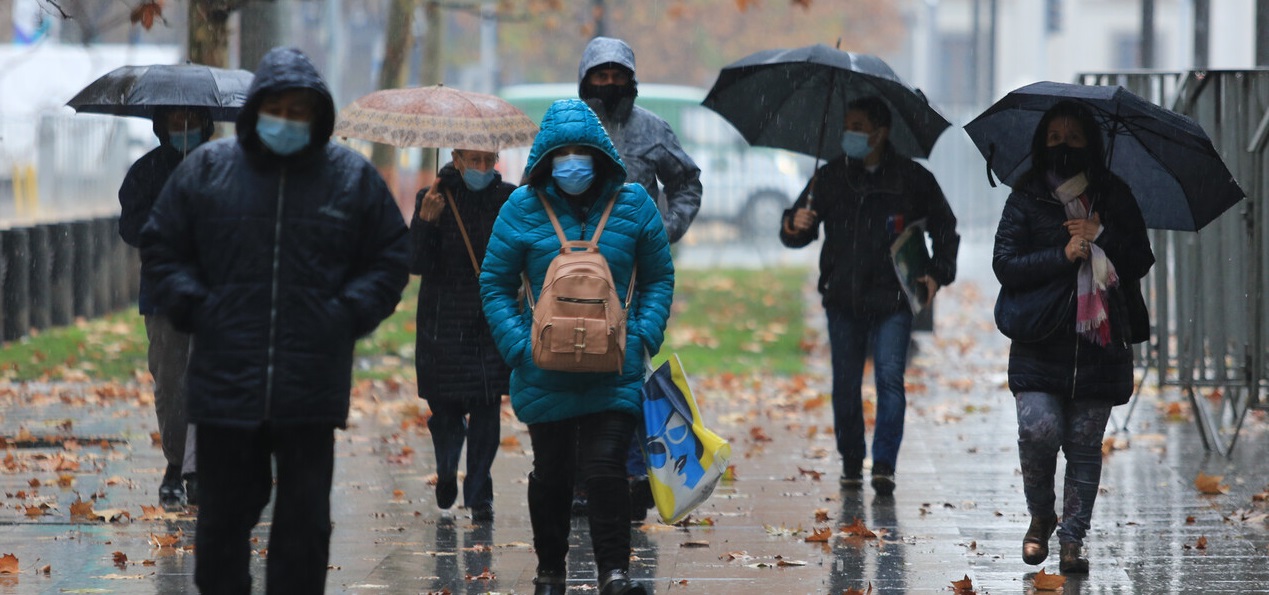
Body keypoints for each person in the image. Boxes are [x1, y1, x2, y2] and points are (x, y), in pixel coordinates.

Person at [140, 47, 409, 593]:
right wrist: (198, 307)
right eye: (276, 108)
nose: (286, 120)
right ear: (256, 109)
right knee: (222, 526)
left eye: (298, 111)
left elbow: (389, 256)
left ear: (318, 115)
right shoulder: (208, 172)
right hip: (225, 383)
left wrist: (346, 314)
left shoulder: (350, 178)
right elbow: (162, 245)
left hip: (309, 388)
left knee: (303, 530)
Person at [480, 98, 673, 595]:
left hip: (614, 366)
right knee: (553, 473)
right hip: (544, 368)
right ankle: (550, 571)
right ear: (546, 159)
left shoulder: (634, 205)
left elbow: (658, 277)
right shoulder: (522, 208)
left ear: (600, 155)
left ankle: (615, 574)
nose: (571, 162)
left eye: (580, 152)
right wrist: (519, 347)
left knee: (607, 469)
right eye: (561, 153)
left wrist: (643, 335)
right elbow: (495, 283)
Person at [993, 100, 1153, 574]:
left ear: (1091, 145)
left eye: (1075, 139)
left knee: (1084, 446)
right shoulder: (1026, 197)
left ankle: (1072, 541)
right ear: (1042, 143)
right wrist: (1061, 255)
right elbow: (1005, 265)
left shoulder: (1114, 194)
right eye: (1055, 139)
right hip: (1039, 338)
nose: (1064, 147)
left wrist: (1102, 234)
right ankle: (1042, 515)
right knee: (1037, 431)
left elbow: (1140, 259)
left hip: (1099, 345)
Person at [779, 96, 960, 496]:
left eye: (858, 127)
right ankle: (850, 460)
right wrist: (795, 223)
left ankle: (883, 465)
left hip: (893, 299)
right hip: (842, 299)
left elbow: (945, 228)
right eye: (847, 126)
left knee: (889, 379)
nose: (850, 134)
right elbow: (796, 231)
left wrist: (937, 274)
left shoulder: (911, 178)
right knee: (845, 384)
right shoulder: (830, 177)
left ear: (881, 132)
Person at [578, 35, 702, 521]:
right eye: (600, 75)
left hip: (635, 277)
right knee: (575, 372)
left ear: (630, 80)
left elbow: (687, 182)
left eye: (617, 75)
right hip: (575, 275)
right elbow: (535, 188)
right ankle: (583, 479)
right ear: (586, 80)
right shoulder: (571, 127)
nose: (609, 84)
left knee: (629, 372)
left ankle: (632, 476)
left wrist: (665, 231)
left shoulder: (653, 129)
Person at [118, 104, 213, 507]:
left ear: (207, 123)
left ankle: (200, 467)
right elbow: (131, 227)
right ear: (162, 124)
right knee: (171, 383)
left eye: (193, 118)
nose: (185, 125)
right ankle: (176, 462)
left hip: (214, 293)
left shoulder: (223, 167)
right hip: (163, 295)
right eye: (177, 118)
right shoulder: (146, 172)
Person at [410, 149, 513, 523]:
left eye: (488, 159)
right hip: (442, 322)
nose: (482, 168)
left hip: (489, 320)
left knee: (487, 409)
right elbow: (415, 262)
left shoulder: (509, 198)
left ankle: (479, 493)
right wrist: (425, 221)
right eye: (473, 160)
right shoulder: (433, 197)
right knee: (446, 413)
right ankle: (447, 468)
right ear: (456, 158)